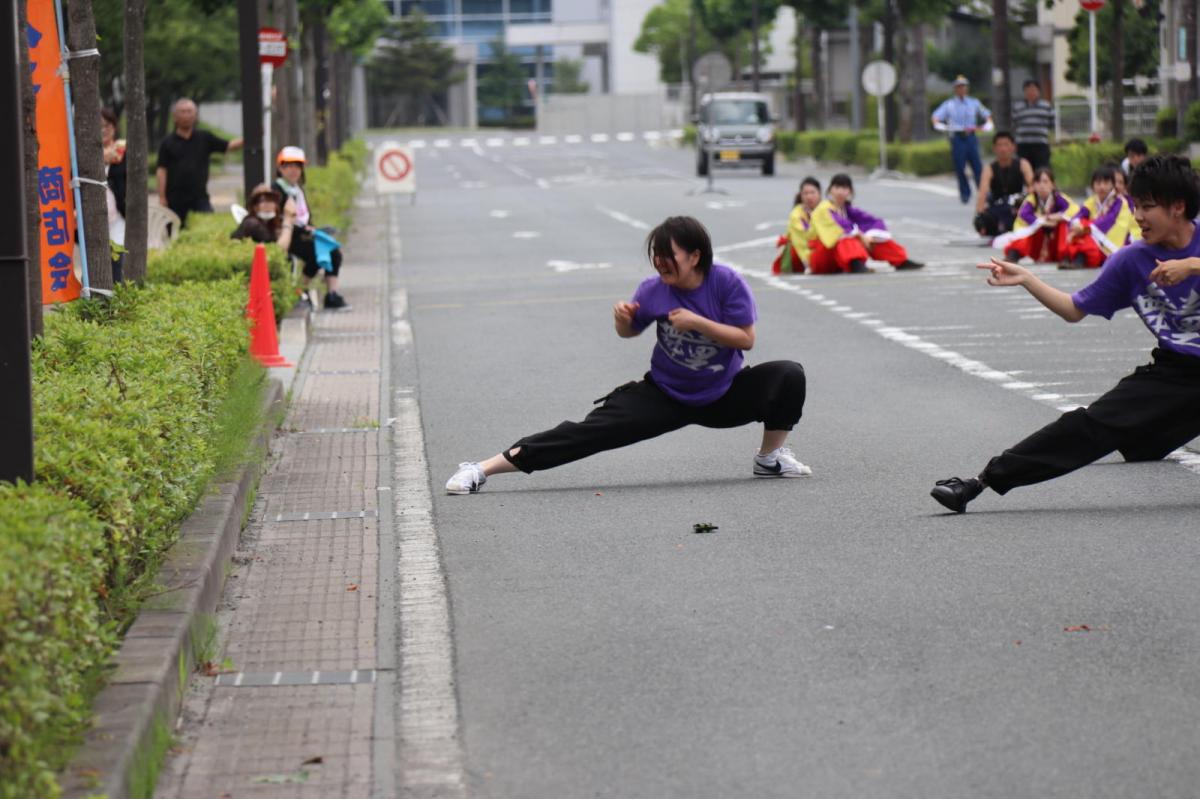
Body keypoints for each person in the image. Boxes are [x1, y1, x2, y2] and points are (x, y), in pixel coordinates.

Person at [444, 216, 812, 495]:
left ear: (695, 256)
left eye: (668, 255)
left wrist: (697, 322)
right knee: (587, 433)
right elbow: (630, 331)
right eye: (656, 255)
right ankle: (482, 468)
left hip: (722, 394)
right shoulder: (654, 289)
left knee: (788, 375)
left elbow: (745, 339)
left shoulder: (726, 283)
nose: (660, 262)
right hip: (665, 395)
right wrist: (623, 321)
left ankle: (769, 458)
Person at [930, 155, 1200, 513]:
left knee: (1149, 434)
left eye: (1147, 207)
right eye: (1135, 205)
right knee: (1091, 425)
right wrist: (1028, 279)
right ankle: (981, 481)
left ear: (1178, 207)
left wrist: (1192, 266)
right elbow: (1073, 309)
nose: (1137, 216)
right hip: (1176, 370)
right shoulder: (1131, 260)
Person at [274, 146, 347, 310]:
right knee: (318, 254)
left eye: (297, 166)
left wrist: (314, 231)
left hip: (303, 234)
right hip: (288, 236)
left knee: (334, 252)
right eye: (288, 166)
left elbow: (306, 218)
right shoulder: (276, 190)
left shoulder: (297, 190)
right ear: (280, 168)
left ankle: (331, 294)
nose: (293, 170)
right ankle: (299, 291)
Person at [807, 174, 924, 274]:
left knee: (873, 239)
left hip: (837, 258)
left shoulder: (848, 210)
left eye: (844, 188)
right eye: (837, 187)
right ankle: (856, 264)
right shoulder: (823, 209)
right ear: (830, 190)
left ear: (850, 191)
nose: (840, 192)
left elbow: (872, 222)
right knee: (845, 238)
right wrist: (859, 235)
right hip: (821, 257)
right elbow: (838, 229)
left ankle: (900, 261)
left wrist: (868, 237)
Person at [155, 98, 244, 227]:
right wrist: (162, 197)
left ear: (195, 115)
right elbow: (161, 170)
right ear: (175, 116)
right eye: (182, 112)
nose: (186, 115)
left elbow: (228, 145)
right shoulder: (167, 143)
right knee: (175, 232)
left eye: (189, 111)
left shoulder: (205, 138)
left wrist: (251, 137)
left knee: (207, 227)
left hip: (200, 198)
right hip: (174, 200)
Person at [1060, 164, 1138, 269]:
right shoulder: (1092, 201)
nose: (1102, 187)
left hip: (1112, 241)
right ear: (1093, 186)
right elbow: (1079, 214)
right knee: (1080, 223)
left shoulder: (1119, 202)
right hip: (1094, 235)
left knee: (1087, 227)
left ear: (1112, 185)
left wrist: (1084, 229)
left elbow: (1108, 222)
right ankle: (1073, 257)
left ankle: (1077, 258)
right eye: (1098, 183)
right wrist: (1077, 225)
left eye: (1106, 183)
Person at [998, 167, 1079, 264]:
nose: (1042, 185)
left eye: (1045, 181)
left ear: (1053, 184)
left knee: (1064, 224)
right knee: (1029, 229)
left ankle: (1066, 256)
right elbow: (1024, 216)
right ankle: (1014, 254)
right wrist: (1043, 221)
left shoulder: (1058, 198)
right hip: (1038, 242)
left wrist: (1052, 217)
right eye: (1038, 182)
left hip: (1056, 241)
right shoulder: (1031, 199)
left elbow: (1073, 211)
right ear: (1034, 185)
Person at [931, 75, 993, 204]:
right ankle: (965, 193)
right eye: (959, 87)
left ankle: (983, 191)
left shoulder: (974, 102)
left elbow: (987, 114)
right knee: (960, 167)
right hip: (957, 137)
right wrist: (940, 125)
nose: (961, 89)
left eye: (963, 86)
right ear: (955, 89)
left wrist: (988, 123)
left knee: (977, 166)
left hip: (971, 137)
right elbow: (936, 117)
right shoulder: (949, 104)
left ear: (967, 88)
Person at [974, 131, 1033, 238]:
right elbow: (982, 193)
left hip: (1017, 207)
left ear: (1013, 147)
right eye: (999, 145)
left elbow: (1033, 187)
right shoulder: (989, 169)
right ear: (994, 148)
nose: (1003, 149)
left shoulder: (1023, 164)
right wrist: (979, 216)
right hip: (998, 208)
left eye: (1006, 145)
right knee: (984, 221)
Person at [773, 177, 822, 274]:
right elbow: (802, 237)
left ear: (819, 194)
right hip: (800, 252)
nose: (809, 197)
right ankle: (809, 263)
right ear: (801, 195)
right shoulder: (796, 213)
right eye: (805, 193)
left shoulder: (826, 209)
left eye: (812, 193)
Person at [231, 183, 296, 252]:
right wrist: (287, 222)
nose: (268, 204)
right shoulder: (251, 223)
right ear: (255, 207)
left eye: (271, 199)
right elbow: (277, 250)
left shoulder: (274, 222)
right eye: (263, 200)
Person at [101, 108, 127, 282]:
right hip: (93, 218)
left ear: (114, 127)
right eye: (99, 126)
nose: (103, 130)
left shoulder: (123, 150)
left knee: (117, 259)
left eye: (107, 125)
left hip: (118, 216)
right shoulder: (81, 155)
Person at [1011, 80, 1054, 170]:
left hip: (1040, 144)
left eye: (1033, 90)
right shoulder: (1017, 107)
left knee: (1042, 169)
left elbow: (1052, 124)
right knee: (1023, 170)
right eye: (1028, 90)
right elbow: (1014, 124)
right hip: (1023, 145)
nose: (1031, 93)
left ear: (1039, 91)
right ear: (1024, 92)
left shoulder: (1046, 106)